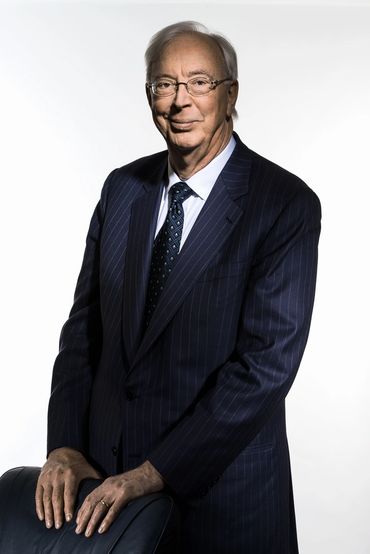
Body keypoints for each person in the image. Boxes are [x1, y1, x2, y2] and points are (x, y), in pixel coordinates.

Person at [35, 20, 321, 553]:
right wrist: (66, 446)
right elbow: (83, 333)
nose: (179, 101)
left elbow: (264, 368)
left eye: (199, 83)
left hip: (224, 502)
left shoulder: (283, 203)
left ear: (230, 93)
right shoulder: (123, 189)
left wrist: (156, 470)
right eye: (164, 85)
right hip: (107, 496)